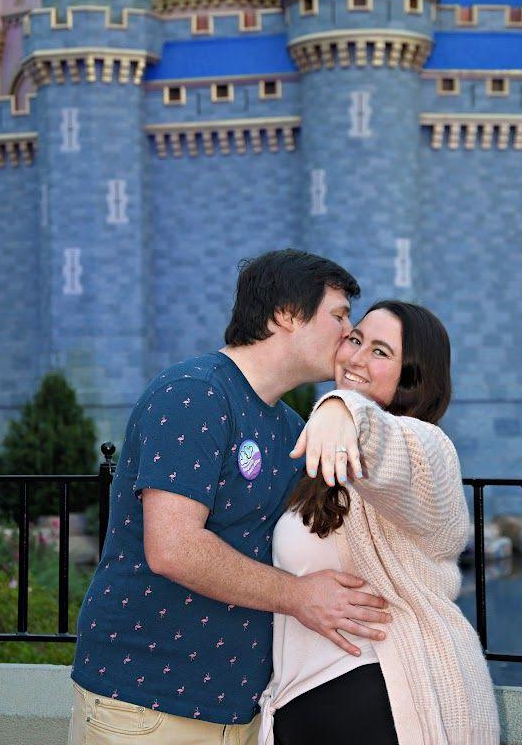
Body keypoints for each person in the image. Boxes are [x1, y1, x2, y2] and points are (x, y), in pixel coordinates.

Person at [68, 250, 393, 745]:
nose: (349, 333)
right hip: (146, 706)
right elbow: (173, 547)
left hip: (242, 712)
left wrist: (347, 406)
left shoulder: (288, 426)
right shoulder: (193, 394)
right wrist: (298, 596)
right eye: (339, 315)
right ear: (286, 313)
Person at [259, 301, 501, 745]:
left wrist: (341, 408)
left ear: (414, 376)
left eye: (381, 352)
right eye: (356, 340)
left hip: (396, 701)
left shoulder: (427, 451)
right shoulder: (327, 462)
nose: (355, 357)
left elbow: (387, 440)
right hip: (308, 703)